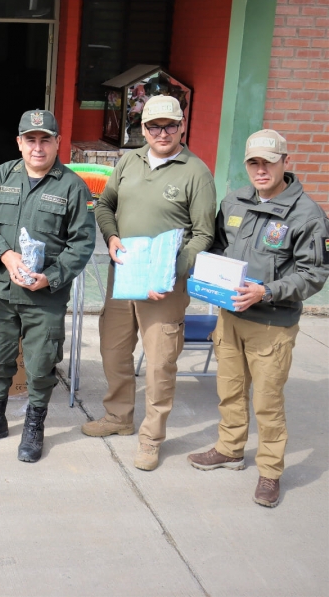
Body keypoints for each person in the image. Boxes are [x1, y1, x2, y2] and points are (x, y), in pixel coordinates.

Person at [187, 130, 329, 508]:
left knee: (267, 402)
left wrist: (266, 291)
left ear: (286, 162)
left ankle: (270, 471)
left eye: (269, 162)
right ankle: (230, 449)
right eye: (254, 162)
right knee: (230, 390)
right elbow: (218, 246)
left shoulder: (307, 215)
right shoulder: (234, 201)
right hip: (231, 315)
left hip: (271, 324)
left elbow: (314, 274)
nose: (261, 169)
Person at [83, 95, 217, 471]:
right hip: (124, 273)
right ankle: (118, 416)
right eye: (154, 126)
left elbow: (204, 234)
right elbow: (105, 204)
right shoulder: (129, 161)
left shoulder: (196, 172)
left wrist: (173, 272)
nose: (162, 133)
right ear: (142, 129)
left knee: (160, 363)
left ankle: (151, 437)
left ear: (181, 127)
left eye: (170, 125)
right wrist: (111, 236)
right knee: (113, 348)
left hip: (164, 285)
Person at [0, 110, 94, 461]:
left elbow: (82, 243)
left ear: (57, 142)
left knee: (40, 365)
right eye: (31, 140)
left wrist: (51, 277)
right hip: (1, 290)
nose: (38, 147)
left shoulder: (72, 186)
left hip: (45, 296)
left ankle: (34, 427)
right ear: (19, 143)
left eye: (45, 140)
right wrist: (6, 256)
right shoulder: (2, 176)